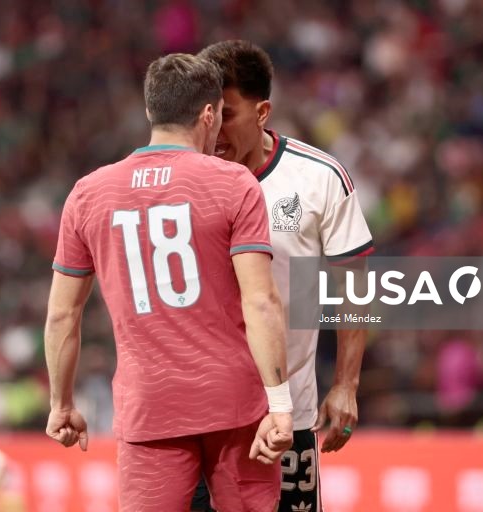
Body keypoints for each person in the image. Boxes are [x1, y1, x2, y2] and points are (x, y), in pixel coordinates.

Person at [44, 53, 294, 512]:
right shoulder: (235, 184)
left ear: (149, 113)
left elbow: (63, 312)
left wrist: (61, 403)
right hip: (234, 405)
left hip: (149, 407)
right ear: (209, 114)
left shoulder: (89, 193)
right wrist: (280, 404)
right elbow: (262, 302)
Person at [195, 40, 375, 512]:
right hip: (198, 414)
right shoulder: (184, 179)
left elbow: (354, 282)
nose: (212, 129)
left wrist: (346, 384)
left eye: (226, 114)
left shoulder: (318, 179)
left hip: (288, 413)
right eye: (206, 114)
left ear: (262, 112)